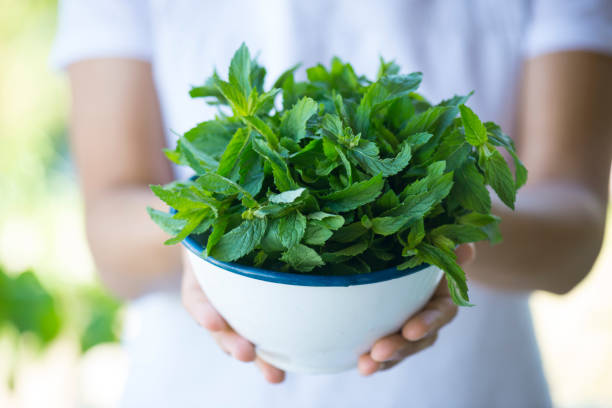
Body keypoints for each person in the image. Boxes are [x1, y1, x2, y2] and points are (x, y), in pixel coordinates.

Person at [52, 1, 612, 407]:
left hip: (470, 388)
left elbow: (575, 224)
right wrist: (202, 242)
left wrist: (441, 230)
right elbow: (109, 228)